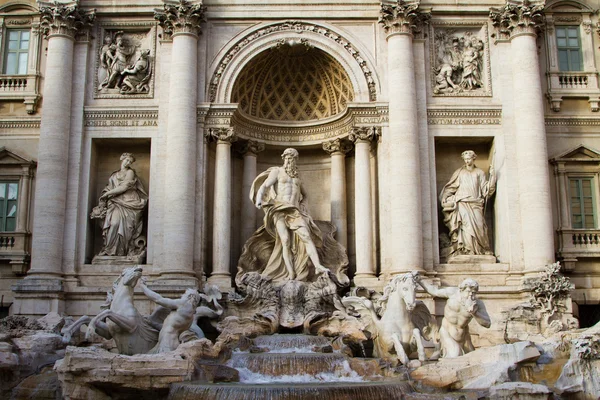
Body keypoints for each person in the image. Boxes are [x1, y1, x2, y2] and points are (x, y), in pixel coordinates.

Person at [237, 148, 348, 284]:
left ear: (296, 160)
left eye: (293, 158)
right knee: (285, 241)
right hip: (279, 209)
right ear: (283, 158)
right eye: (288, 157)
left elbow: (305, 195)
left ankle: (318, 266)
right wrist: (259, 198)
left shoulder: (297, 178)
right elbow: (265, 186)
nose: (290, 160)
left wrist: (303, 206)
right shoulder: (277, 172)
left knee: (307, 237)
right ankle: (290, 273)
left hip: (294, 211)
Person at [440, 150, 495, 257]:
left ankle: (480, 249)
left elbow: (486, 190)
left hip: (476, 203)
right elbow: (451, 187)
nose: (467, 161)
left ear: (474, 158)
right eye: (465, 159)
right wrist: (445, 196)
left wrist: (492, 177)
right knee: (465, 227)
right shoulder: (459, 172)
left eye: (469, 159)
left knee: (479, 226)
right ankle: (465, 249)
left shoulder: (480, 172)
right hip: (462, 202)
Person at [417, 277, 491, 358]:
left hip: (464, 337)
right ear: (462, 290)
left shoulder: (478, 304)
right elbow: (434, 291)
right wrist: (419, 280)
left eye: (473, 293)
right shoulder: (453, 293)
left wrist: (475, 313)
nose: (470, 295)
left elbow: (487, 324)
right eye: (468, 291)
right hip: (446, 332)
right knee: (455, 355)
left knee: (472, 358)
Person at [93, 153, 148, 257]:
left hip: (129, 201)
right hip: (115, 202)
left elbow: (124, 187)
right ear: (121, 159)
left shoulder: (130, 172)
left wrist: (108, 194)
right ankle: (109, 249)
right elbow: (109, 187)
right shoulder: (114, 175)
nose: (128, 163)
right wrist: (105, 196)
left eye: (130, 162)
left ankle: (122, 251)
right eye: (127, 160)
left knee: (127, 228)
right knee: (114, 224)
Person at [139, 280, 201, 353]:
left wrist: (143, 287)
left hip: (167, 342)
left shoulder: (184, 304)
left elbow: (158, 299)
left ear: (190, 297)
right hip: (169, 341)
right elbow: (169, 326)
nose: (182, 296)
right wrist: (152, 323)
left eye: (184, 294)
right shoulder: (190, 316)